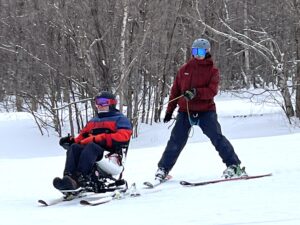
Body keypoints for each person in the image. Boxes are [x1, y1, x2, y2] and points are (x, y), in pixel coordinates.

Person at [155, 38, 247, 181]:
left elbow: (212, 91)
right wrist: (169, 110)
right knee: (176, 140)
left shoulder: (212, 70)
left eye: (200, 51)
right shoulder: (184, 70)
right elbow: (175, 92)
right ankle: (163, 169)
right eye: (194, 51)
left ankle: (234, 165)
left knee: (217, 137)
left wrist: (196, 92)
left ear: (207, 52)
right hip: (185, 111)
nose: (197, 54)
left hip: (206, 110)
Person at [53, 91, 132, 191]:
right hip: (92, 152)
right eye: (97, 102)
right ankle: (69, 178)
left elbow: (123, 136)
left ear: (111, 103)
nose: (99, 106)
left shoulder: (120, 119)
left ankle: (82, 177)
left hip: (111, 156)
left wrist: (99, 139)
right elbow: (81, 138)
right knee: (75, 148)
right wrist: (71, 141)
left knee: (91, 146)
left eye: (103, 102)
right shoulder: (93, 121)